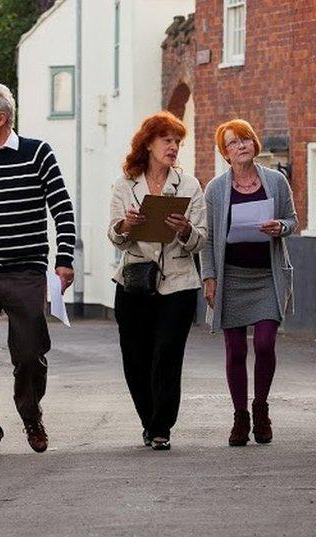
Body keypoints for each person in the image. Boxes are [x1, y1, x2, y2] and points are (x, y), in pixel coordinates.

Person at [0, 83, 76, 459]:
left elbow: (62, 208)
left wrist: (64, 259)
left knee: (28, 356)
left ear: (1, 118)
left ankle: (30, 413)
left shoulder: (38, 154)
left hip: (25, 273)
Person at [107, 111, 207, 451]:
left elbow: (201, 239)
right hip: (134, 281)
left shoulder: (190, 185)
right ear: (148, 143)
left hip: (178, 283)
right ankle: (148, 420)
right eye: (167, 140)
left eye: (178, 142)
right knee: (135, 357)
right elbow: (115, 236)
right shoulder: (124, 184)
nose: (174, 147)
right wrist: (125, 226)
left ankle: (161, 426)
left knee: (167, 354)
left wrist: (185, 230)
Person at [199, 119, 298, 447]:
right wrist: (209, 277)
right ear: (225, 154)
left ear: (254, 144)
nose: (241, 146)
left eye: (245, 140)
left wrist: (279, 227)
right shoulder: (215, 189)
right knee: (236, 349)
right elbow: (209, 238)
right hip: (232, 277)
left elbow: (292, 220)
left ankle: (261, 408)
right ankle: (240, 415)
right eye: (232, 143)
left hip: (267, 275)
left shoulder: (276, 181)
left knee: (265, 343)